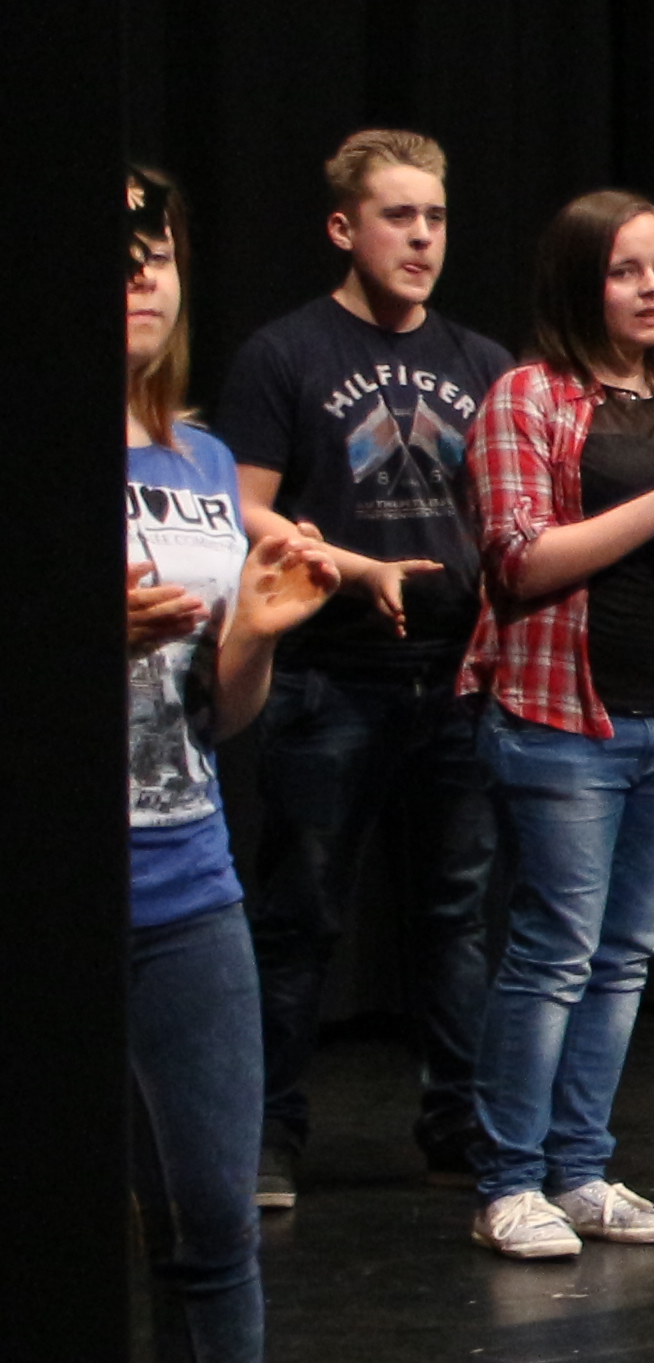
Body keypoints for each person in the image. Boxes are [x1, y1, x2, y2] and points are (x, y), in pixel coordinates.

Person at [126, 166, 363, 1363]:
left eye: (157, 250)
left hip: (185, 878)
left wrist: (255, 636)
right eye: (114, 251)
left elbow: (215, 718)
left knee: (213, 1216)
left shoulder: (203, 462)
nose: (140, 275)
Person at [460, 189, 654, 1262]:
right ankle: (509, 1182)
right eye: (625, 271)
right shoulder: (526, 398)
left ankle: (581, 1169)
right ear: (578, 283)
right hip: (562, 717)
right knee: (553, 953)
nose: (652, 290)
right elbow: (516, 561)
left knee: (624, 958)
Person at [215, 127, 506, 1209]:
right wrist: (351, 568)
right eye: (398, 216)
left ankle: (460, 1126)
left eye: (435, 217)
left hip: (453, 679)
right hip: (328, 677)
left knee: (454, 918)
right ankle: (265, 1136)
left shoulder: (482, 363)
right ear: (344, 228)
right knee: (300, 917)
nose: (421, 238)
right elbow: (243, 507)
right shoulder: (285, 354)